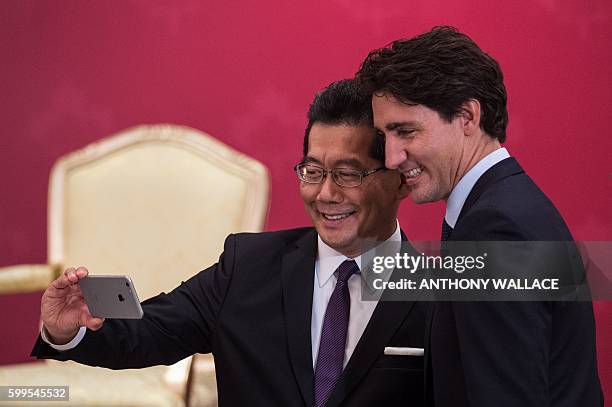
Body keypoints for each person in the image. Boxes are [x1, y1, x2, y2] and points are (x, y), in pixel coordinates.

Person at [31, 79, 427, 407]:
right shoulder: (248, 265)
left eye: (348, 173)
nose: (325, 193)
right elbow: (149, 332)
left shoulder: (443, 283)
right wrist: (67, 331)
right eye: (312, 171)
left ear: (399, 181)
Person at [357, 26, 603, 406]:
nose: (391, 158)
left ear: (468, 116)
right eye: (384, 135)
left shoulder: (498, 228)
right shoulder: (500, 208)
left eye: (405, 131)